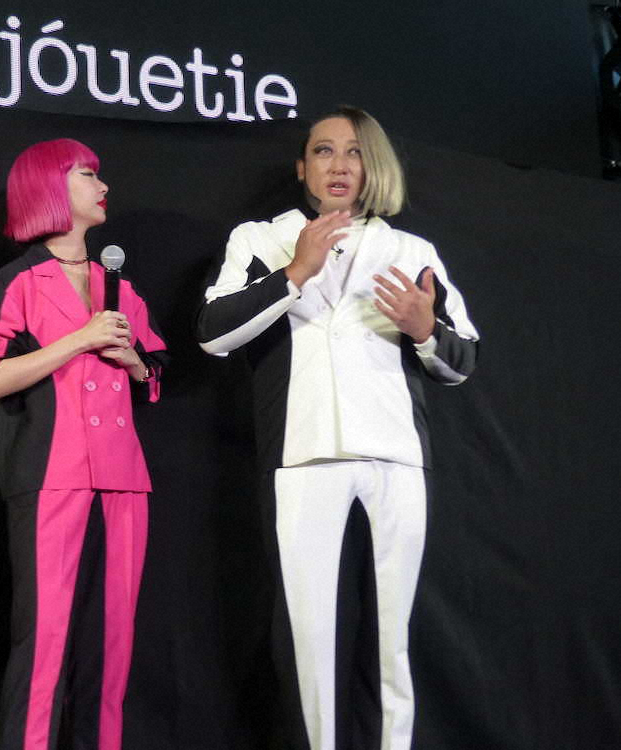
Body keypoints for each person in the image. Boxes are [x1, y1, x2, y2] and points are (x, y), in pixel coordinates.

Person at [197, 106, 479, 750]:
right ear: (303, 167)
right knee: (307, 638)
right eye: (324, 151)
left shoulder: (411, 251)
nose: (340, 165)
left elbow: (463, 360)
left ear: (372, 167)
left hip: (395, 460)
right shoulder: (261, 239)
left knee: (392, 640)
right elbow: (213, 334)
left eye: (354, 152)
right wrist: (295, 273)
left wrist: (424, 329)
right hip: (301, 458)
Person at [0, 138, 167, 750]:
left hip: (124, 476)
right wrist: (80, 340)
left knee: (114, 641)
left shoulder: (118, 285)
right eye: (87, 174)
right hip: (51, 474)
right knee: (45, 639)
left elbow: (155, 373)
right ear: (49, 186)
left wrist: (133, 360)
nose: (102, 186)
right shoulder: (14, 283)